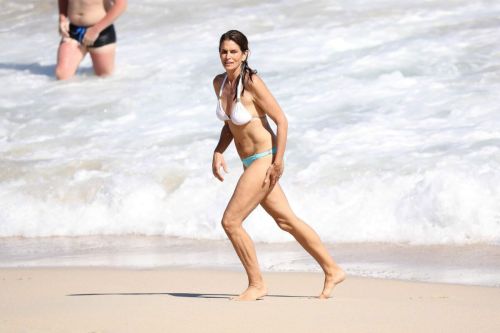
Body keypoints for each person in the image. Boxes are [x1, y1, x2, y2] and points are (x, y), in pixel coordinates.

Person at [212, 30, 345, 301]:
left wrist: (278, 161)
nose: (228, 56)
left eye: (234, 51)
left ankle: (257, 284)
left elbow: (281, 121)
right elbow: (230, 123)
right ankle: (332, 269)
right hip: (248, 161)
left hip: (264, 159)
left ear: (245, 54)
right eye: (224, 51)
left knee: (231, 221)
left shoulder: (251, 82)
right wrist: (218, 151)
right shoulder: (219, 82)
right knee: (287, 221)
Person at [55, 0, 127, 80]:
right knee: (61, 75)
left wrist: (95, 30)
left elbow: (121, 5)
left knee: (104, 78)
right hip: (74, 31)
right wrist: (62, 18)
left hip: (100, 32)